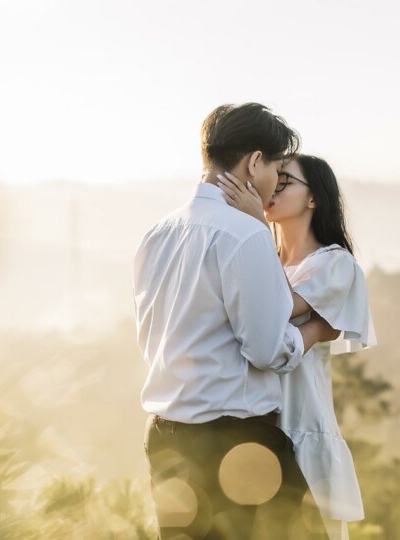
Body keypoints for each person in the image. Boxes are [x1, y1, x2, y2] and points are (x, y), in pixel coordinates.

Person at [133, 103, 340, 539]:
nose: (274, 184)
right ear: (254, 162)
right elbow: (267, 351)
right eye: (276, 170)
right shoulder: (246, 234)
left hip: (166, 442)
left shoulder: (156, 233)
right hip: (238, 444)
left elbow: (150, 337)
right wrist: (316, 331)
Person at [216, 155, 377, 540]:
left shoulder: (334, 263)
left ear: (313, 199)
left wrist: (256, 225)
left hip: (302, 428)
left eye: (285, 180)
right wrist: (317, 330)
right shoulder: (261, 260)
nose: (272, 188)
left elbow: (281, 304)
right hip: (252, 429)